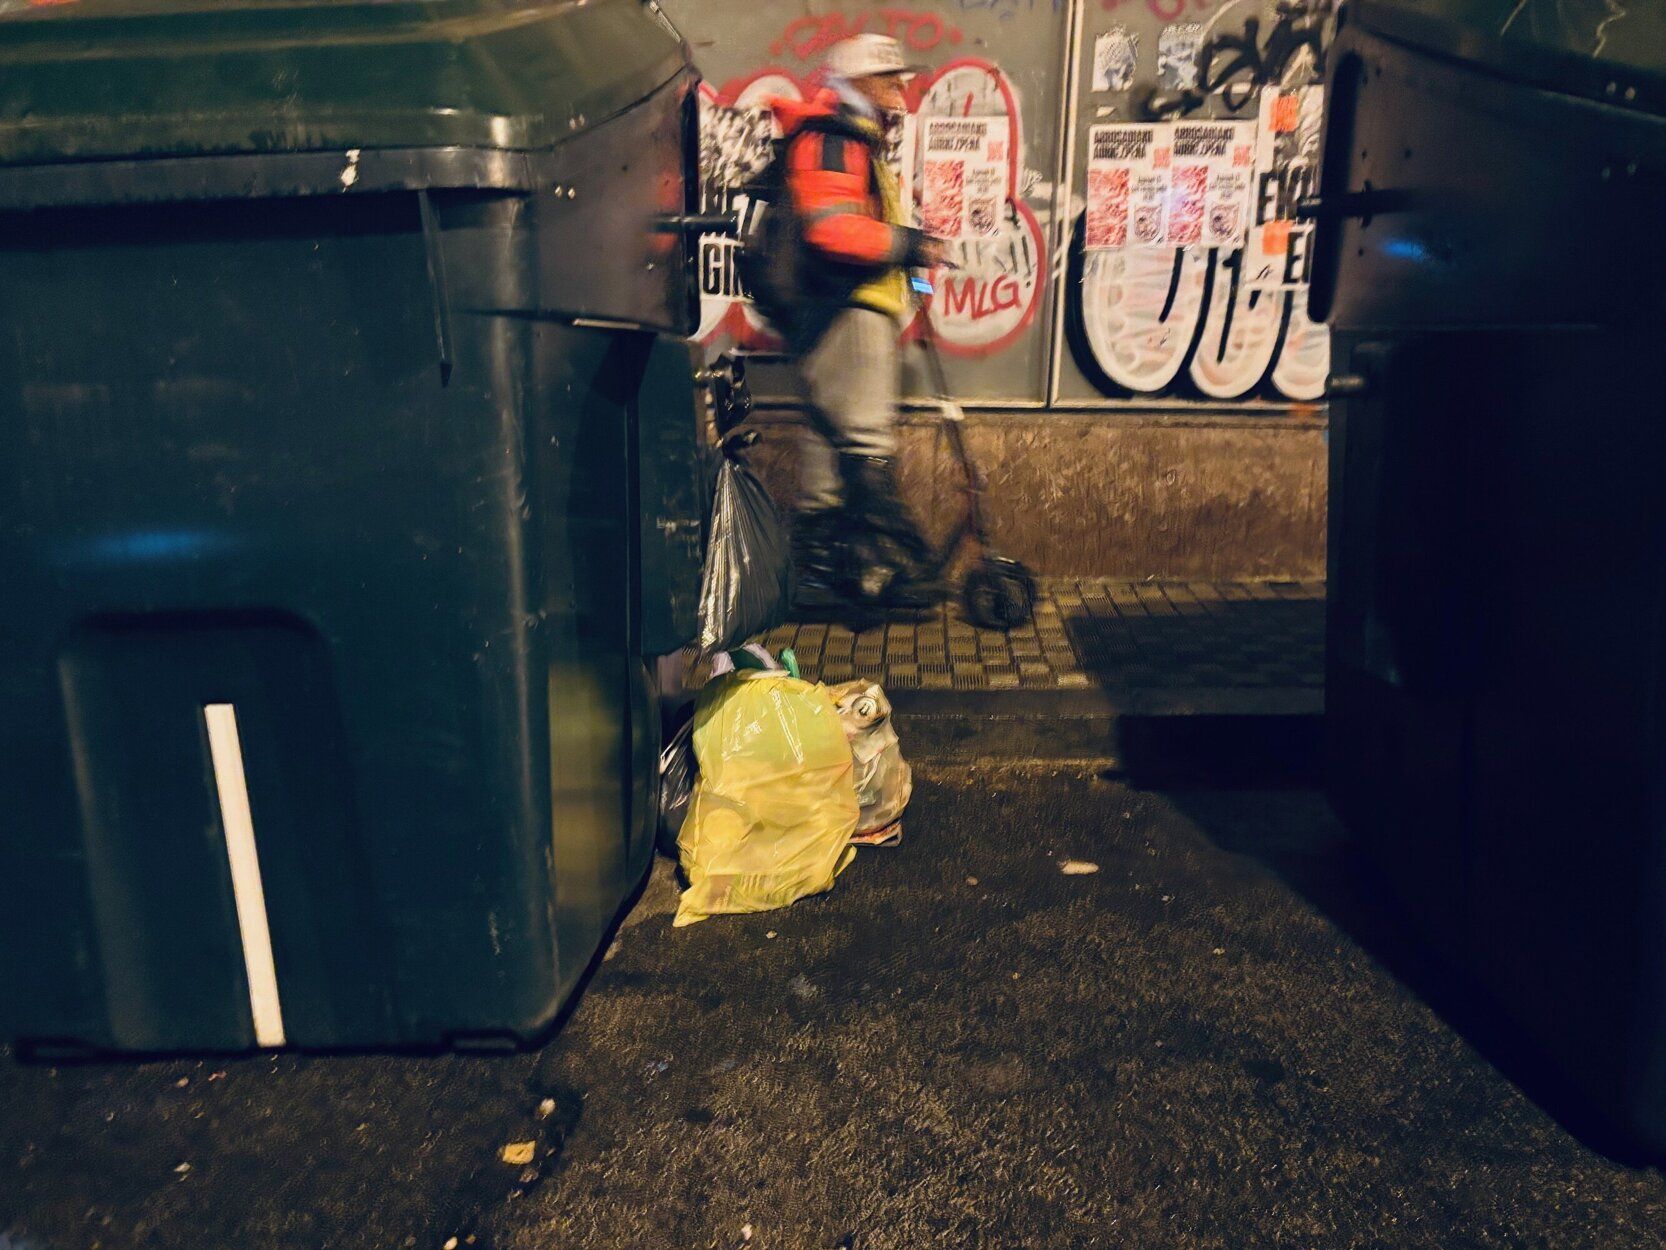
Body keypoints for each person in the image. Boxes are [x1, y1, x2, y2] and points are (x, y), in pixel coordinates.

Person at [768, 33, 947, 609]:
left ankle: (821, 581)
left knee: (827, 448)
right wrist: (909, 244)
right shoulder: (834, 140)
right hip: (851, 313)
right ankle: (893, 569)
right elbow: (831, 228)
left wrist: (917, 279)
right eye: (889, 78)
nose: (901, 87)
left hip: (837, 313)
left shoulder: (852, 141)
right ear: (858, 82)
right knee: (867, 443)